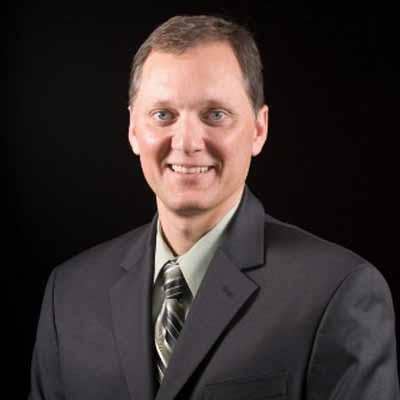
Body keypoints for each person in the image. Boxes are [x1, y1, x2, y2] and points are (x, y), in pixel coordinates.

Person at [29, 15, 399, 400]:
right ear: (133, 130)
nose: (187, 142)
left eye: (215, 115)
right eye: (163, 115)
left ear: (259, 129)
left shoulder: (337, 293)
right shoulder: (68, 294)